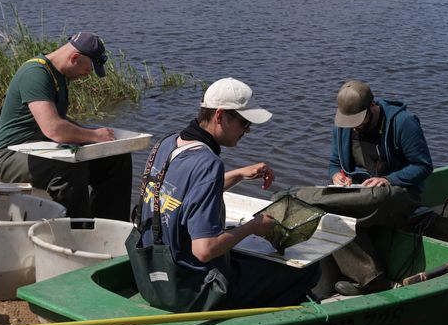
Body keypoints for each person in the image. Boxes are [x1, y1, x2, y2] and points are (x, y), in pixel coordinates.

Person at [129, 78, 319, 311]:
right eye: (243, 122)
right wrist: (254, 226)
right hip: (189, 290)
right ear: (220, 116)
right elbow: (205, 249)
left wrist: (238, 174)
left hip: (151, 276)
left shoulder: (168, 143)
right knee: (307, 272)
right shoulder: (208, 164)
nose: (248, 130)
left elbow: (185, 195)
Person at [0, 32, 132, 220]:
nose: (86, 76)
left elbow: (58, 121)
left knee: (116, 158)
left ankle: (110, 228)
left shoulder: (59, 76)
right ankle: (76, 234)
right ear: (75, 58)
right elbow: (54, 129)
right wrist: (95, 136)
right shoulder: (36, 73)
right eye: (88, 70)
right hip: (10, 156)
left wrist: (99, 141)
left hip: (41, 149)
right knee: (69, 169)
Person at [325, 79, 433, 296]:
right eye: (350, 122)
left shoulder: (404, 122)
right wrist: (337, 176)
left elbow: (423, 166)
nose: (355, 127)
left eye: (359, 121)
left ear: (372, 106)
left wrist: (389, 179)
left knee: (375, 198)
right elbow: (335, 164)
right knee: (327, 213)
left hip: (399, 195)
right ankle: (370, 279)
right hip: (359, 195)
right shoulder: (343, 126)